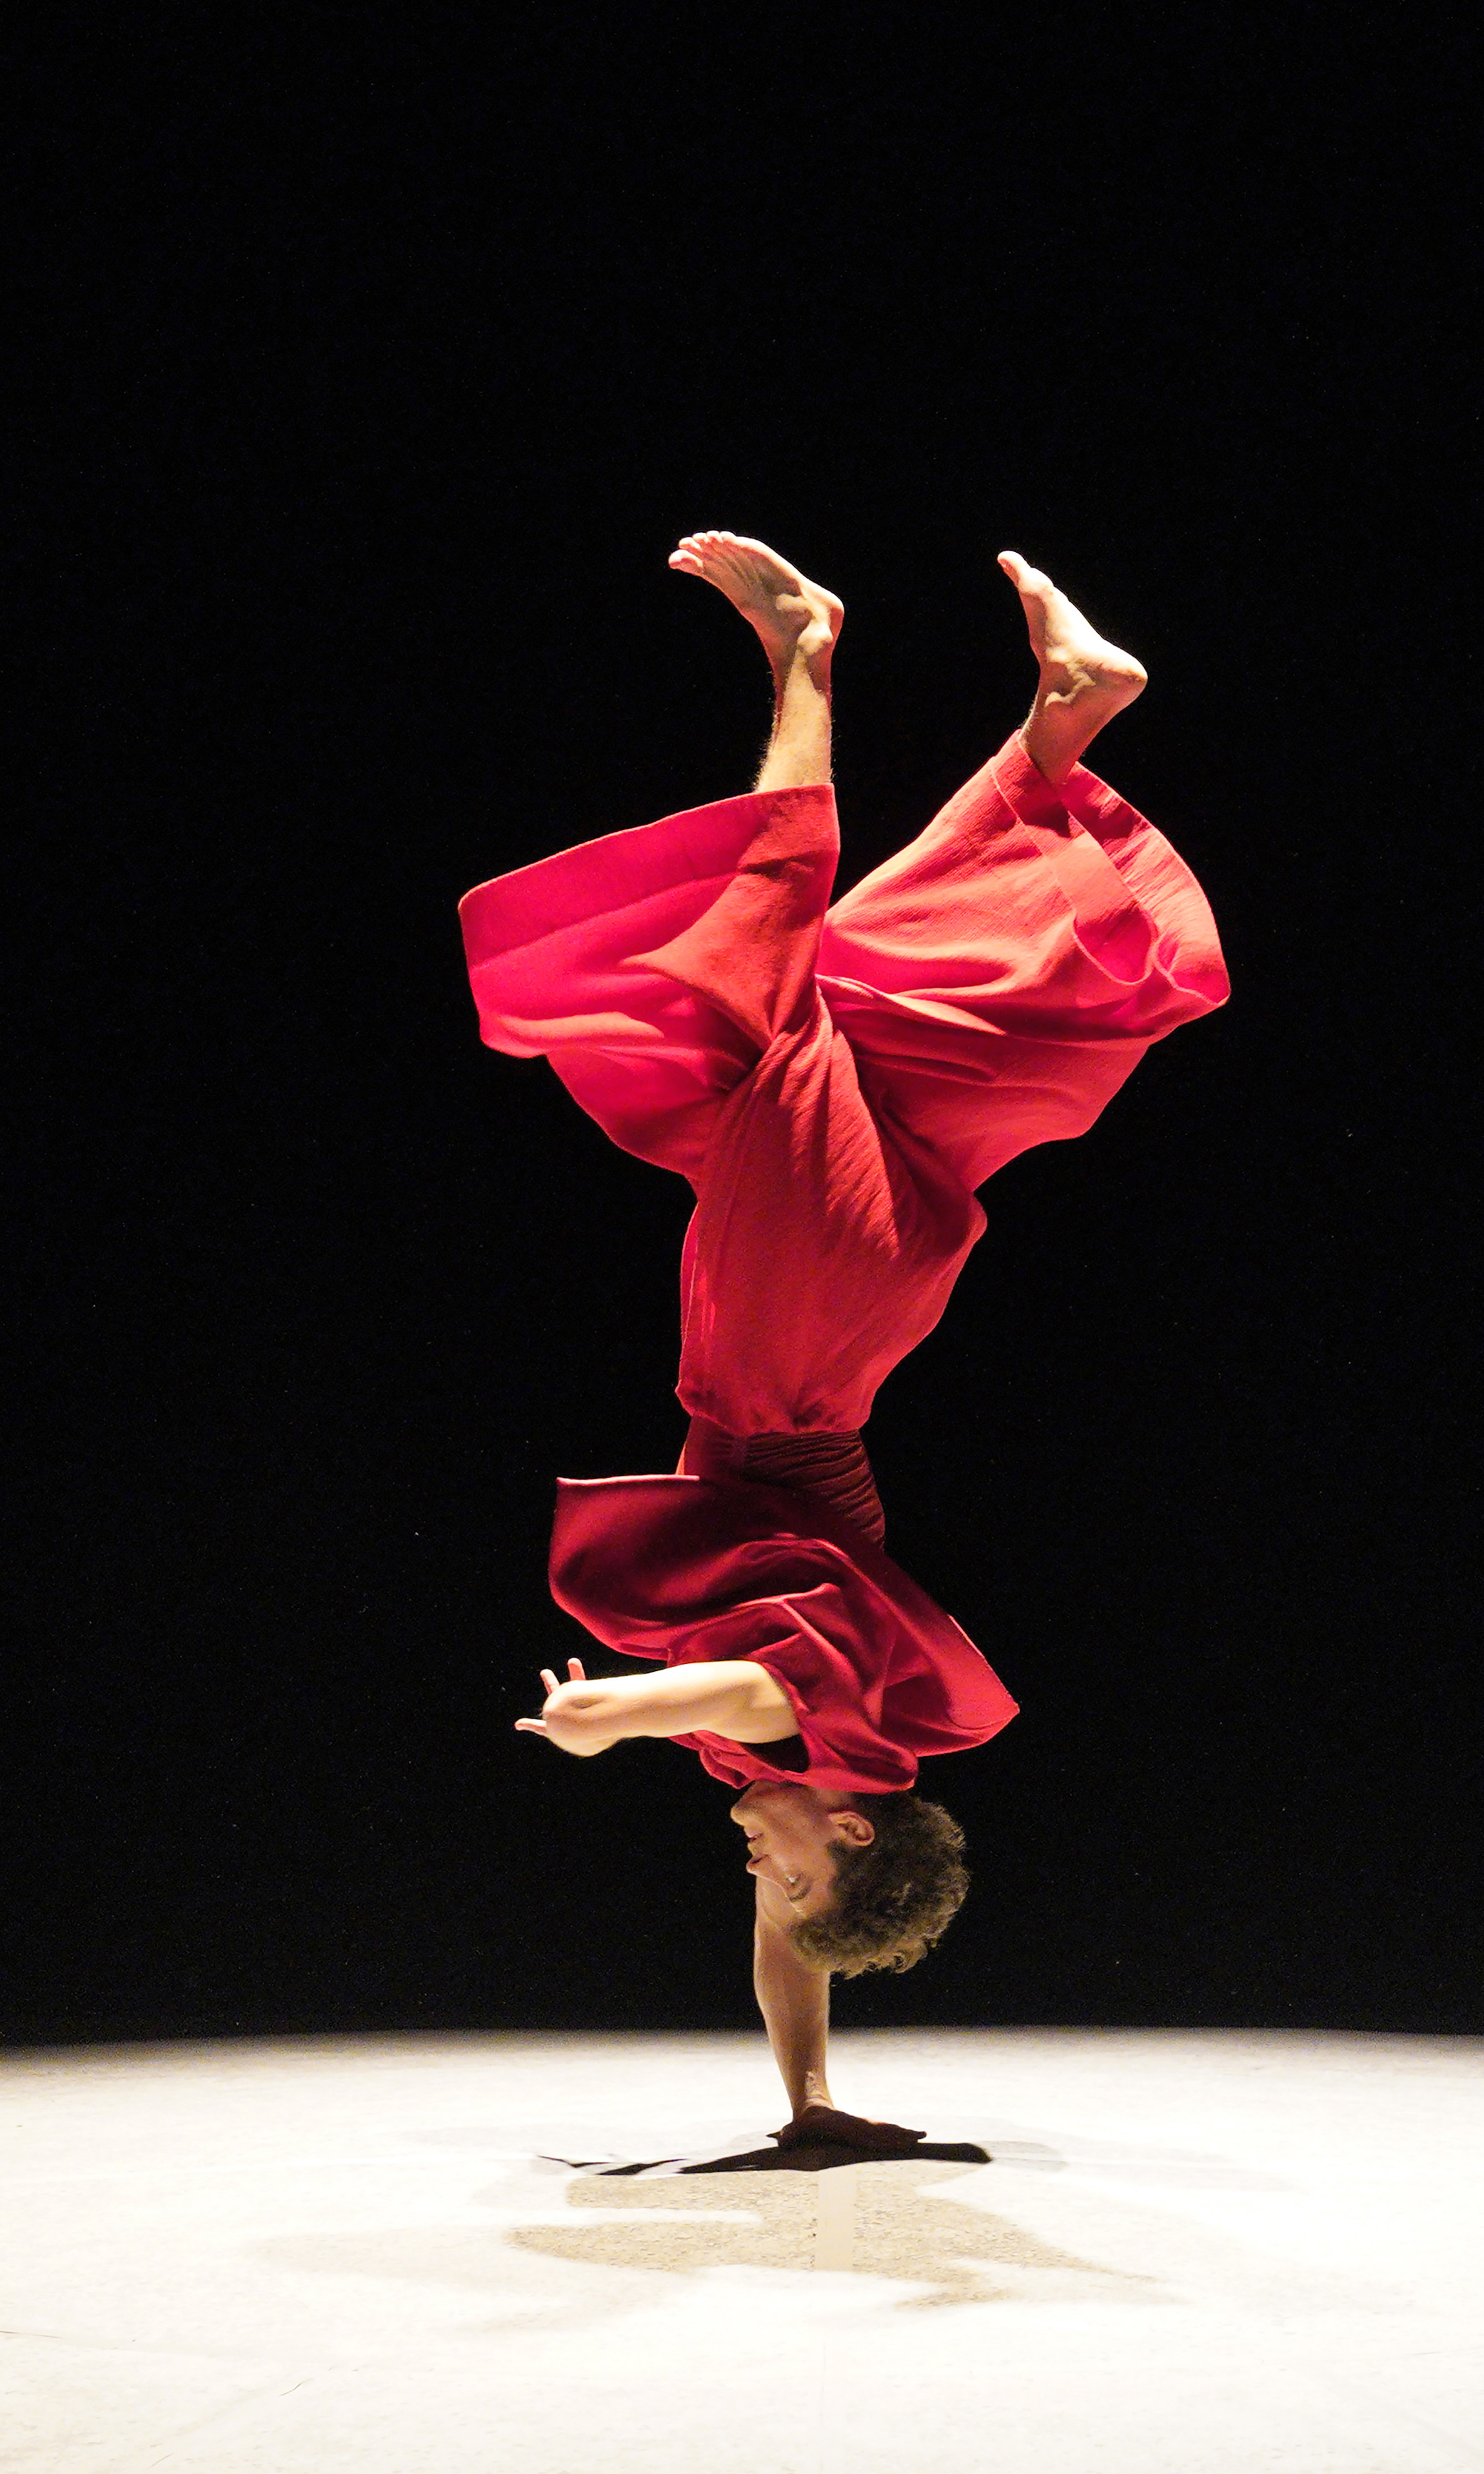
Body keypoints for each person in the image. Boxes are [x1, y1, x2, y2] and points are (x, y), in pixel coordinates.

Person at [462, 531, 1227, 2147]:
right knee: (767, 979)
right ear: (863, 1839)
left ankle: (1059, 727)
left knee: (824, 997)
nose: (764, 1867)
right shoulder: (852, 1741)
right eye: (798, 1873)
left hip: (814, 1321)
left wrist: (813, 2102)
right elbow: (742, 1686)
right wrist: (613, 1712)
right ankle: (809, 647)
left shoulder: (802, 1782)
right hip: (795, 1339)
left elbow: (781, 1934)